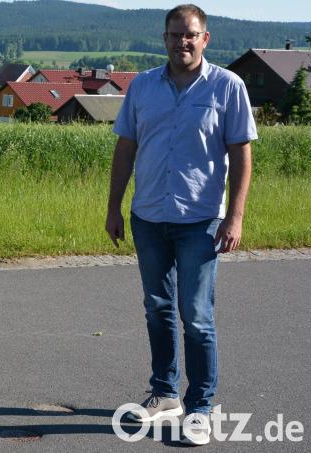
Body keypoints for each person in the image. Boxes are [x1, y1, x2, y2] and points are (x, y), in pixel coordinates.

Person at [105, 4, 255, 446]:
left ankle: (201, 407)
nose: (181, 42)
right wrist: (114, 207)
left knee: (197, 316)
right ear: (164, 38)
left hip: (201, 221)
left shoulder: (228, 86)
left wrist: (236, 216)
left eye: (190, 35)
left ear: (204, 38)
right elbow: (126, 147)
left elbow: (242, 154)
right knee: (157, 309)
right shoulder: (143, 87)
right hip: (148, 216)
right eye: (174, 35)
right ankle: (165, 392)